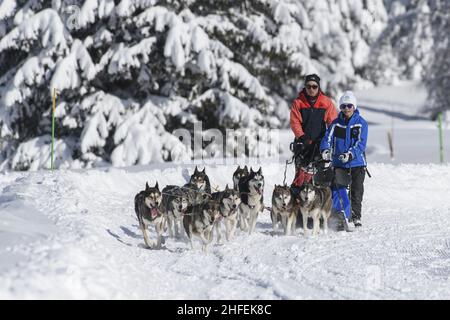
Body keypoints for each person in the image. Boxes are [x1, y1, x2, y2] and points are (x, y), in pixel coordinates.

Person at [320, 91, 368, 231]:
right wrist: (325, 150)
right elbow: (327, 139)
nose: (346, 109)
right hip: (340, 163)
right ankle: (339, 216)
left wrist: (350, 154)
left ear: (354, 107)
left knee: (356, 191)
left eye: (349, 106)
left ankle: (355, 216)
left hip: (357, 163)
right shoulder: (336, 124)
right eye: (343, 106)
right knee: (338, 189)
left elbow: (361, 144)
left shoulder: (361, 123)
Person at [290, 74, 337, 187]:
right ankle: (297, 198)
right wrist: (301, 136)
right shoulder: (298, 102)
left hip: (320, 144)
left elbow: (333, 123)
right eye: (309, 86)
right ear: (305, 87)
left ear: (318, 87)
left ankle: (319, 199)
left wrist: (328, 140)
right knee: (301, 175)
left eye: (314, 86)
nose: (311, 89)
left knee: (319, 175)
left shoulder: (326, 102)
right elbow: (294, 121)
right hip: (303, 144)